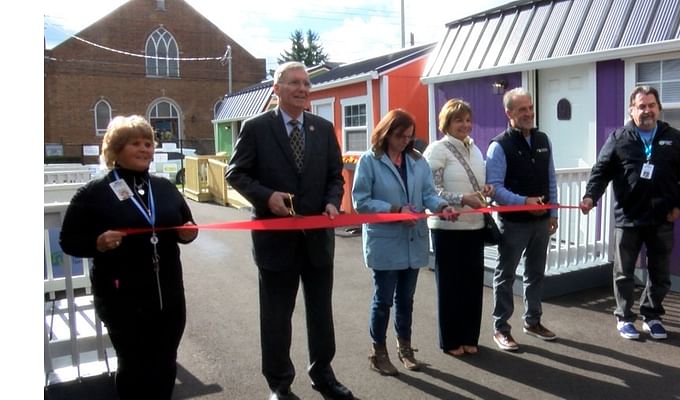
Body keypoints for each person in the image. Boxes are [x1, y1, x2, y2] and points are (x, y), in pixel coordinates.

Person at [225, 61, 353, 400]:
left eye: (307, 84)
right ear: (276, 89)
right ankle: (279, 384)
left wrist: (330, 201)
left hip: (317, 241)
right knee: (277, 317)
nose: (302, 89)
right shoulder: (256, 128)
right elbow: (235, 173)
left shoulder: (323, 129)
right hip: (275, 242)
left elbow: (334, 176)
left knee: (321, 314)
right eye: (294, 83)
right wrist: (267, 197)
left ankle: (323, 375)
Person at [59, 115, 198, 400]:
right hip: (122, 300)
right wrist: (97, 243)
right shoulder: (94, 193)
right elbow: (68, 241)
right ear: (116, 149)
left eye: (148, 143)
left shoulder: (165, 188)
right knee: (134, 367)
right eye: (136, 143)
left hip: (168, 297)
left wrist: (188, 234)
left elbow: (188, 225)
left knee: (165, 363)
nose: (145, 148)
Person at [580, 85, 680, 340]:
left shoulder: (674, 137)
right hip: (628, 218)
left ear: (659, 108)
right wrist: (591, 196)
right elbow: (601, 171)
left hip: (662, 218)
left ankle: (652, 315)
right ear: (632, 110)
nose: (647, 111)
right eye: (641, 106)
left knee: (660, 272)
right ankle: (624, 317)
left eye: (651, 105)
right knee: (624, 272)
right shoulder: (619, 138)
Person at [352, 109, 457, 376]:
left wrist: (442, 206)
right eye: (399, 136)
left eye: (409, 137)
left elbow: (428, 194)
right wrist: (396, 210)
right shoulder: (369, 161)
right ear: (387, 133)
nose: (404, 142)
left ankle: (405, 349)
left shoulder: (416, 160)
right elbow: (361, 203)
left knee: (406, 299)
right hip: (386, 242)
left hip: (413, 240)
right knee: (384, 299)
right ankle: (378, 352)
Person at [486, 87, 559, 351]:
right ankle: (501, 328)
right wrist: (523, 202)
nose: (528, 113)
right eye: (522, 110)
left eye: (530, 108)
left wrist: (553, 212)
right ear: (509, 113)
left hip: (541, 223)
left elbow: (551, 178)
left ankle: (533, 321)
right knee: (505, 275)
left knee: (535, 274)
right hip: (513, 224)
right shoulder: (499, 146)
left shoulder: (543, 140)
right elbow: (494, 188)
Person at [423, 99, 494, 356]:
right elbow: (431, 190)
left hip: (474, 226)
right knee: (450, 286)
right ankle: (451, 340)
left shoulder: (475, 149)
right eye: (458, 120)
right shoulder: (437, 150)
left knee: (473, 285)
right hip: (446, 228)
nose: (465, 125)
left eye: (467, 119)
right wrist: (461, 199)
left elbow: (478, 183)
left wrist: (486, 190)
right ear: (446, 123)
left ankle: (469, 337)